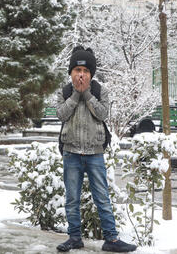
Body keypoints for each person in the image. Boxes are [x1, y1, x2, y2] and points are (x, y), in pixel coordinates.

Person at [55, 46, 137, 253]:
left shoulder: (100, 91)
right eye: (77, 71)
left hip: (95, 153)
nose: (81, 75)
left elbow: (102, 114)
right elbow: (61, 115)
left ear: (91, 74)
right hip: (71, 152)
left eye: (85, 72)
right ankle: (74, 237)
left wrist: (88, 94)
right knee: (72, 198)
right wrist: (75, 95)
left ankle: (112, 239)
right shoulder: (64, 92)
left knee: (102, 196)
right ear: (71, 72)